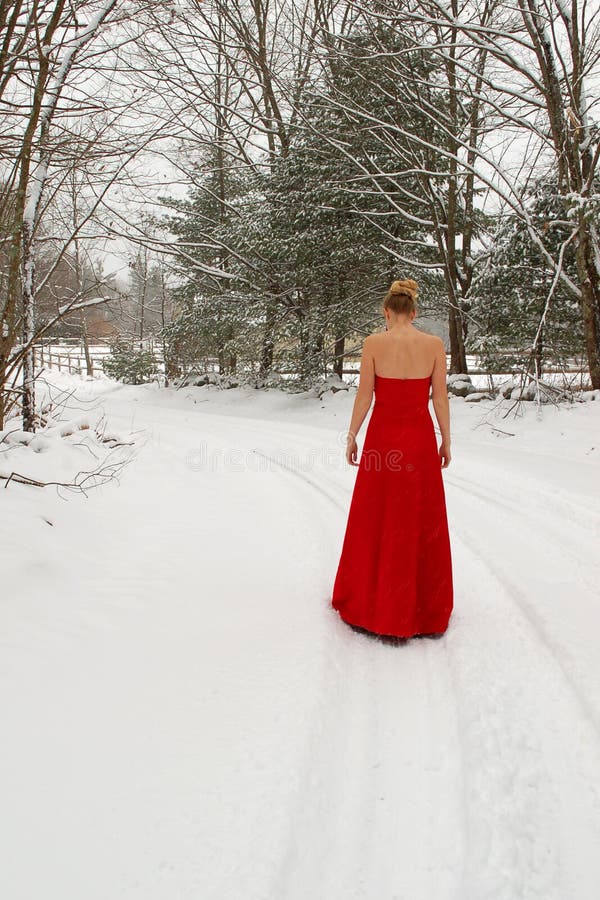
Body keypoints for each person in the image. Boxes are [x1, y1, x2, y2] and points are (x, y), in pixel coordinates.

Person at [331, 278, 454, 639]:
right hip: (417, 441)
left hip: (383, 442)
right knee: (417, 518)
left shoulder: (373, 343)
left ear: (386, 312)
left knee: (377, 516)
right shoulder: (433, 345)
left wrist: (352, 435)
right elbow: (441, 399)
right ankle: (421, 610)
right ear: (413, 312)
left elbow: (364, 396)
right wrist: (446, 439)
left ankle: (376, 604)